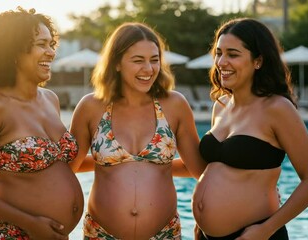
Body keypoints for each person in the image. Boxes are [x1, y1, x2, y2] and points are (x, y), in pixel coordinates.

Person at [0, 7, 83, 239]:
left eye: (52, 44)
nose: (51, 52)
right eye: (42, 44)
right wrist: (31, 224)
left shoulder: (50, 99)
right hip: (10, 234)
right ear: (14, 50)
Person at [69, 22, 207, 239]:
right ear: (116, 63)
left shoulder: (174, 105)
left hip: (164, 234)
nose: (149, 69)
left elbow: (200, 170)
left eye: (154, 60)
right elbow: (68, 169)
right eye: (138, 60)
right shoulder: (91, 107)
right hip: (101, 234)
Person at [192, 18, 308, 240]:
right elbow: (215, 169)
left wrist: (266, 230)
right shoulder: (221, 105)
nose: (221, 62)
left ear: (258, 61)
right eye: (218, 53)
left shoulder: (277, 108)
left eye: (233, 54)